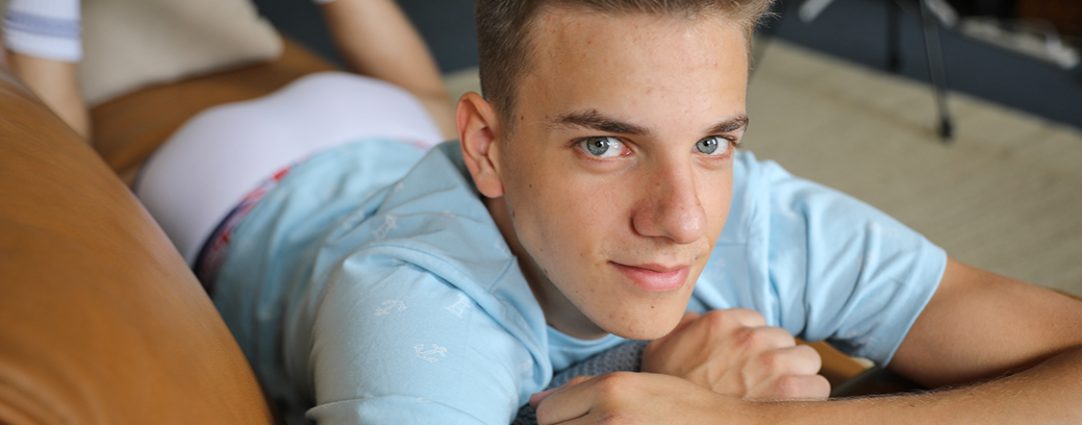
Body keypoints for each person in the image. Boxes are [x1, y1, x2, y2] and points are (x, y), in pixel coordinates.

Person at [7, 1, 1082, 425]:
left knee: (421, 99)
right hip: (240, 179)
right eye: (605, 143)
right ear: (486, 148)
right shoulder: (407, 308)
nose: (681, 218)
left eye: (714, 140)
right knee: (66, 135)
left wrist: (755, 424)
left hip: (405, 131)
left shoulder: (753, 209)